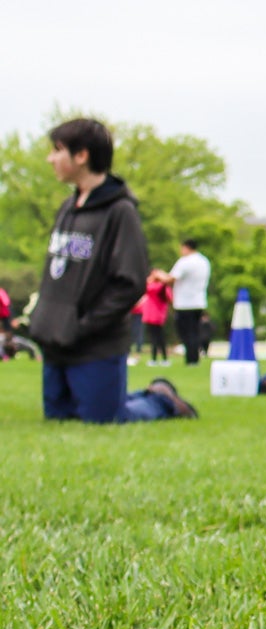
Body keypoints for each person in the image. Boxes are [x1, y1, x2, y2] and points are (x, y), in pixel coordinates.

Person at [28, 119, 197, 422]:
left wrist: (84, 325)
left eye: (57, 150)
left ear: (82, 156)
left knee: (105, 419)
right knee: (61, 417)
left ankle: (162, 401)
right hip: (58, 344)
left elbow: (130, 284)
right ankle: (133, 395)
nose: (50, 158)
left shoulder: (120, 212)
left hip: (96, 343)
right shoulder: (68, 208)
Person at [168, 238, 212, 365]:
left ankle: (190, 358)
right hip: (198, 302)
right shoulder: (204, 261)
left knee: (186, 333)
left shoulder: (185, 262)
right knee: (194, 331)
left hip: (184, 303)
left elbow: (171, 279)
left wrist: (158, 275)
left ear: (186, 247)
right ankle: (194, 358)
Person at [138, 269, 173, 365]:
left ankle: (154, 359)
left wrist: (152, 278)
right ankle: (164, 359)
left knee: (154, 338)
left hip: (151, 316)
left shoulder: (152, 287)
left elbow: (143, 286)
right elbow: (170, 298)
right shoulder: (165, 288)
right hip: (160, 316)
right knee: (160, 338)